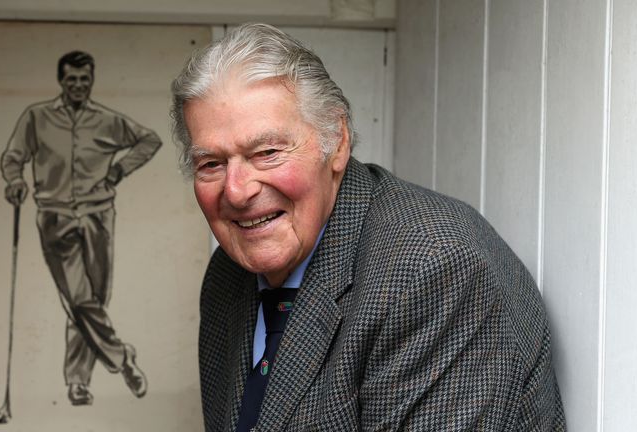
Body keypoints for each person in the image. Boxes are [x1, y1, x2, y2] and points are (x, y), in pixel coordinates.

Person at [170, 24, 566, 431]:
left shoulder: (433, 267)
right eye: (211, 164)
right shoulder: (227, 275)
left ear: (337, 142)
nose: (236, 191)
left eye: (267, 152)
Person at [0, 50, 161, 406]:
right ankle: (121, 357)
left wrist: (119, 170)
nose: (77, 85)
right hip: (55, 217)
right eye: (71, 79)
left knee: (93, 301)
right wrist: (14, 180)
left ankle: (77, 383)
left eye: (84, 79)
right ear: (61, 81)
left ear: (92, 81)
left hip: (98, 216)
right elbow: (13, 157)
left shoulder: (106, 121)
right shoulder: (36, 117)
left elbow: (149, 140)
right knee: (79, 298)